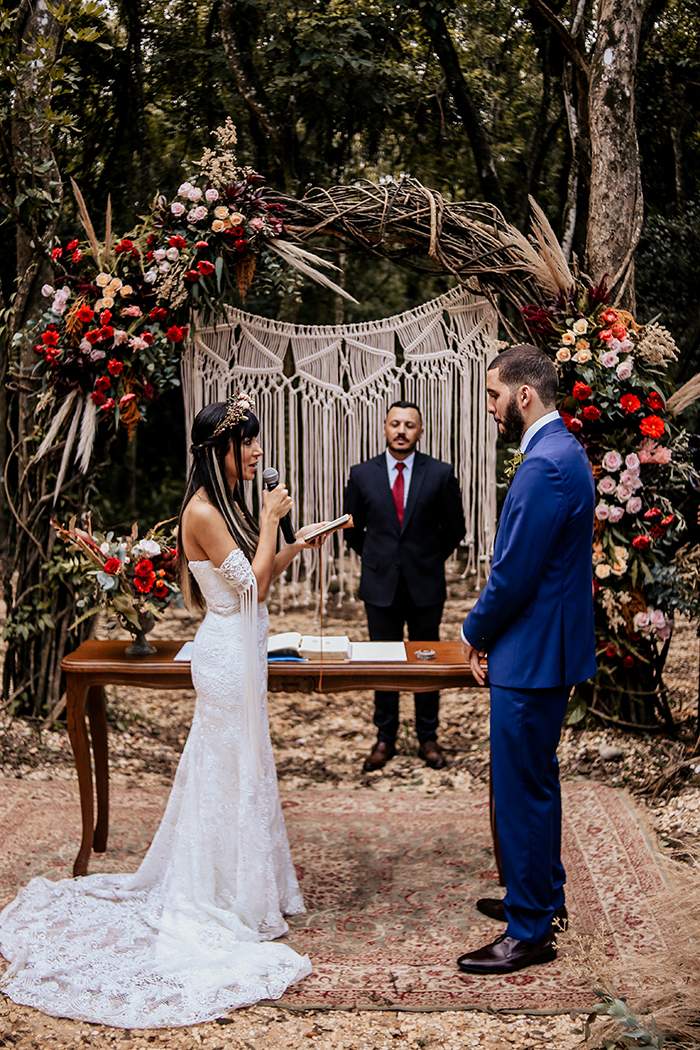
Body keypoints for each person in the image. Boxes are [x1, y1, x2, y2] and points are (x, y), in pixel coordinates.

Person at [0, 391, 327, 1027]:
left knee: (243, 769)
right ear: (221, 451)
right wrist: (268, 523)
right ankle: (217, 893)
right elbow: (247, 588)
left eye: (258, 441)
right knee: (226, 768)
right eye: (249, 442)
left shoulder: (226, 505)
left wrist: (295, 543)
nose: (259, 451)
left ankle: (241, 883)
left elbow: (258, 579)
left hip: (244, 644)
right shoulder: (204, 511)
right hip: (227, 656)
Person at [457, 344, 596, 975]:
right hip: (547, 646)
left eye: (492, 394)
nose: (488, 406)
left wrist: (475, 631)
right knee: (536, 782)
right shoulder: (562, 452)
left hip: (532, 651)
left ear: (524, 395)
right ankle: (541, 899)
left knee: (519, 790)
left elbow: (514, 573)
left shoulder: (545, 465)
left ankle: (530, 932)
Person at [343, 400, 466, 772]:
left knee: (425, 663)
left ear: (420, 431)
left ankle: (428, 738)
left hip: (425, 585)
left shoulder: (441, 474)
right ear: (384, 428)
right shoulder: (362, 474)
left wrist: (427, 560)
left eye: (409, 425)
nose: (401, 431)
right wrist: (377, 559)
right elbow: (352, 529)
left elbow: (455, 529)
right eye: (395, 423)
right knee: (383, 663)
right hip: (379, 585)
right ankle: (385, 738)